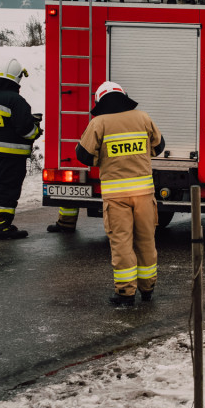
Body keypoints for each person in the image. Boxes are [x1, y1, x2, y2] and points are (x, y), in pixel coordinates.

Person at [76, 81, 165, 307]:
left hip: (116, 197)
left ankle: (126, 292)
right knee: (146, 240)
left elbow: (83, 155)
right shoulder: (143, 118)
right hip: (144, 194)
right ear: (124, 96)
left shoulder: (99, 123)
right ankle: (147, 289)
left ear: (100, 101)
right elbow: (159, 145)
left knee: (122, 242)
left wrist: (101, 158)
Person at [0, 59, 42, 240]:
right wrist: (36, 129)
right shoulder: (16, 100)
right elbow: (25, 130)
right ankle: (4, 227)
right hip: (12, 155)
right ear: (17, 79)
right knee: (8, 189)